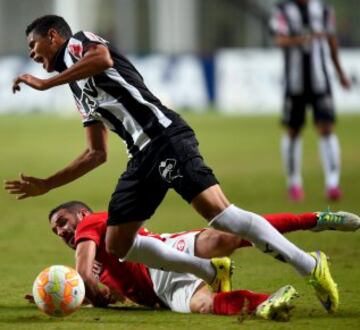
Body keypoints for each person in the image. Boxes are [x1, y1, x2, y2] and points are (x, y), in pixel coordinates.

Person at [5, 15, 338, 313]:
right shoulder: (77, 89)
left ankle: (309, 265)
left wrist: (44, 84)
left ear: (53, 36)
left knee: (223, 216)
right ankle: (209, 271)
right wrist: (47, 184)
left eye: (34, 45)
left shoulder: (79, 42)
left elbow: (103, 58)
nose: (33, 54)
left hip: (164, 137)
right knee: (119, 244)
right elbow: (96, 153)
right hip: (141, 156)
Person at [45, 202, 359, 320]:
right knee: (204, 305)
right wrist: (76, 295)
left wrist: (79, 285)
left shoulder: (92, 224)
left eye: (62, 221)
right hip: (162, 292)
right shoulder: (95, 262)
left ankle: (313, 219)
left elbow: (84, 273)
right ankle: (268, 301)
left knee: (227, 237)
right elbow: (109, 289)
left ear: (82, 215)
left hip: (164, 249)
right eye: (55, 229)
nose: (61, 230)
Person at [269, 0, 351, 202]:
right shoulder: (282, 10)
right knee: (293, 130)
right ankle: (294, 183)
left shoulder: (323, 10)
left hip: (320, 80)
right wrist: (302, 39)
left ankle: (332, 183)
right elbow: (279, 40)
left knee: (326, 128)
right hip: (294, 82)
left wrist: (340, 72)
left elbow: (331, 41)